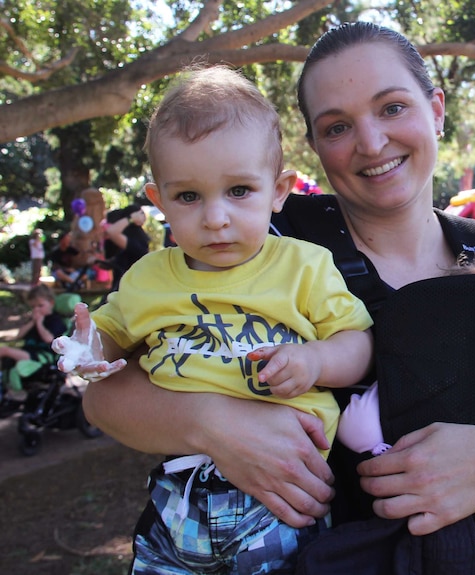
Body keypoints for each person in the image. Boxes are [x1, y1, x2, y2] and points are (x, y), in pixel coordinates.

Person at [82, 22, 475, 573]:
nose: (371, 141)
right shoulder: (265, 240)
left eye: (392, 107)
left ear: (436, 109)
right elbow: (101, 396)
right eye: (337, 126)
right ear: (314, 148)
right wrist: (212, 423)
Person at [55, 64, 374, 574]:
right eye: (188, 196)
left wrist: (315, 360)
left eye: (239, 191)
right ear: (158, 202)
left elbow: (357, 342)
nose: (215, 217)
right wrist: (89, 351)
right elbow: (113, 331)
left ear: (279, 189)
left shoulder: (302, 266)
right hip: (177, 490)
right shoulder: (148, 278)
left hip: (281, 500)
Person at [0, 285, 68, 400]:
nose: (37, 310)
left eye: (40, 306)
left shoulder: (55, 320)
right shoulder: (32, 320)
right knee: (6, 357)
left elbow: (49, 339)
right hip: (28, 352)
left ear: (51, 303)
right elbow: (19, 335)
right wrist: (32, 322)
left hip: (43, 356)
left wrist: (39, 324)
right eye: (33, 307)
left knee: (4, 351)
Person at [101, 203, 150, 291]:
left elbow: (111, 231)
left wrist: (130, 218)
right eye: (141, 213)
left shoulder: (137, 241)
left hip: (131, 289)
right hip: (125, 288)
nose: (144, 215)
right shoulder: (131, 237)